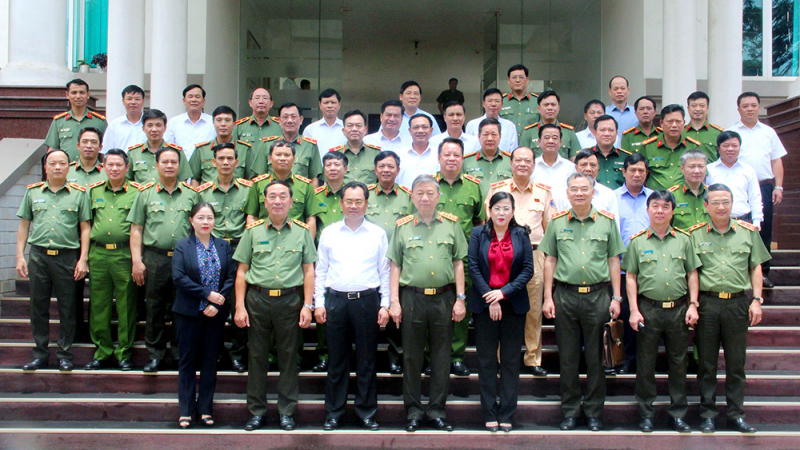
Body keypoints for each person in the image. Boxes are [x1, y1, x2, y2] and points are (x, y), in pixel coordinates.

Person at [541, 172, 625, 432]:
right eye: (574, 189)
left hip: (598, 297)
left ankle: (593, 413)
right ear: (567, 193)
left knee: (596, 357)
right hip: (564, 296)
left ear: (592, 192)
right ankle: (570, 411)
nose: (579, 193)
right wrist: (547, 297)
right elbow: (550, 260)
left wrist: (616, 297)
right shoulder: (556, 222)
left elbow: (614, 261)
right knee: (567, 358)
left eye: (584, 189)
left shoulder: (607, 222)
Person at [233, 180, 317, 432]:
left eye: (283, 197)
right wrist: (239, 306)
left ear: (292, 202)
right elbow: (241, 272)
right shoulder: (252, 231)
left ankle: (286, 412)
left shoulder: (302, 232)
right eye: (272, 196)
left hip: (290, 301)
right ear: (265, 202)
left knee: (289, 357)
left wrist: (308, 304)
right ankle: (257, 411)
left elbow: (309, 270)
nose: (278, 201)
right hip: (257, 300)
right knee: (257, 357)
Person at [387, 174, 468, 432]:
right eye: (419, 193)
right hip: (411, 298)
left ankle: (436, 410)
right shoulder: (402, 226)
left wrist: (460, 299)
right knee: (411, 357)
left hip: (444, 298)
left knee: (442, 357)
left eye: (430, 193)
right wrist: (394, 302)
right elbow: (395, 265)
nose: (425, 198)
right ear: (412, 197)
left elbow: (458, 264)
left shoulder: (452, 225)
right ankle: (412, 410)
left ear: (438, 196)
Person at [691, 183, 771, 434]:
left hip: (737, 303)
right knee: (706, 364)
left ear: (733, 203)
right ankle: (707, 415)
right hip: (707, 304)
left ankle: (736, 414)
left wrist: (756, 299)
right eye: (715, 202)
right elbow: (691, 272)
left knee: (736, 364)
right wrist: (693, 304)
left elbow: (755, 267)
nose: (721, 206)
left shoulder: (748, 232)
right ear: (706, 206)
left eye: (726, 201)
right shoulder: (694, 235)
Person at [315, 181, 391, 431]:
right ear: (341, 203)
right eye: (349, 201)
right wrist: (319, 302)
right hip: (336, 302)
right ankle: (334, 413)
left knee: (367, 361)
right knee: (337, 360)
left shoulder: (378, 233)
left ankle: (366, 412)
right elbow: (321, 270)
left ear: (367, 204)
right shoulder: (329, 232)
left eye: (359, 201)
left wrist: (385, 304)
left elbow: (385, 272)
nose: (354, 206)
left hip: (367, 302)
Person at [624, 190, 701, 433]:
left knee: (678, 364)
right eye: (655, 206)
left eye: (665, 206)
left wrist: (693, 304)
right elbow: (631, 277)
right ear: (647, 210)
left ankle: (677, 415)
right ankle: (646, 415)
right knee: (645, 365)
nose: (660, 210)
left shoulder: (684, 240)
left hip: (678, 309)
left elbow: (692, 273)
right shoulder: (637, 241)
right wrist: (634, 310)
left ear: (672, 211)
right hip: (648, 309)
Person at [16, 149, 90, 372]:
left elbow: (85, 228)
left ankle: (64, 354)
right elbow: (24, 225)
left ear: (69, 167)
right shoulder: (32, 193)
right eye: (53, 163)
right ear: (45, 167)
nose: (58, 167)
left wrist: (83, 259)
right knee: (38, 306)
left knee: (68, 307)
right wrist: (20, 255)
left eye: (62, 163)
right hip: (38, 256)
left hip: (67, 257)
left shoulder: (79, 194)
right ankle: (40, 354)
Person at [128, 146, 200, 372]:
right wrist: (137, 261)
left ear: (180, 166)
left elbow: (200, 229)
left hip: (184, 259)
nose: (169, 166)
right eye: (165, 162)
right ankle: (155, 355)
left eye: (174, 162)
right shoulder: (145, 193)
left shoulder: (192, 194)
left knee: (183, 308)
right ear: (156, 165)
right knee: (155, 308)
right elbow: (136, 229)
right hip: (154, 258)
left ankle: (180, 354)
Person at [485, 146, 554, 377]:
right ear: (511, 163)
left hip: (534, 255)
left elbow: (549, 229)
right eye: (518, 160)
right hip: (502, 254)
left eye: (528, 160)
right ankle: (500, 358)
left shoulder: (544, 192)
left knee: (534, 310)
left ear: (534, 164)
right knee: (502, 307)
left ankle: (532, 358)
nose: (523, 164)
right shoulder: (498, 189)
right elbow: (489, 223)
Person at [468, 192, 534, 432]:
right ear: (489, 210)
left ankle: (506, 412)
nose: (501, 213)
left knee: (509, 361)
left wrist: (503, 293)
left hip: (513, 305)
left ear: (513, 211)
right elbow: (473, 268)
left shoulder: (521, 234)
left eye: (506, 208)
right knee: (486, 361)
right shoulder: (477, 234)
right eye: (497, 208)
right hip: (484, 304)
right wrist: (491, 297)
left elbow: (528, 270)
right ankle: (489, 411)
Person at [172, 202, 236, 428]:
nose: (205, 222)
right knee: (187, 362)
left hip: (214, 314)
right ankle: (186, 411)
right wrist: (207, 294)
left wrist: (218, 303)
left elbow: (231, 276)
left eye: (209, 218)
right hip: (189, 312)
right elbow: (179, 277)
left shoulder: (224, 246)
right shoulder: (182, 246)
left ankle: (206, 409)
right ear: (191, 221)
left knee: (210, 362)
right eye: (200, 218)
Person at [195, 143, 253, 372]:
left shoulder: (249, 190)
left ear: (237, 163)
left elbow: (252, 221)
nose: (226, 162)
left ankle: (238, 354)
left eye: (230, 158)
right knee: (213, 303)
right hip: (212, 250)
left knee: (240, 302)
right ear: (214, 162)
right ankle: (215, 352)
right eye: (221, 158)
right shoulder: (203, 192)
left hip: (240, 250)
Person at [83, 149, 142, 371]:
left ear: (127, 168)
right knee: (99, 305)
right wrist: (85, 258)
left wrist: (138, 259)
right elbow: (86, 225)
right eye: (110, 165)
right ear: (103, 167)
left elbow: (139, 227)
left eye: (119, 165)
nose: (115, 169)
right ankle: (102, 352)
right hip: (98, 254)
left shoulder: (137, 192)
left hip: (124, 254)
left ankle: (124, 354)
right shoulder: (93, 191)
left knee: (127, 305)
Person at [434, 138, 486, 376]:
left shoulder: (474, 186)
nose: (452, 159)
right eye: (447, 154)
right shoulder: (428, 184)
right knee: (432, 308)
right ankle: (431, 356)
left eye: (456, 155)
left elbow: (480, 223)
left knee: (460, 306)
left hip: (464, 257)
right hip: (433, 254)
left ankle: (456, 356)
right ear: (439, 158)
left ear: (462, 158)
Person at [728, 91, 786, 288]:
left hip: (764, 187)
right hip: (739, 188)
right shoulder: (732, 132)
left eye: (753, 105)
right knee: (739, 229)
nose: (750, 109)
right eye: (745, 106)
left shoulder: (769, 132)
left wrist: (778, 186)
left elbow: (776, 160)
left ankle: (763, 274)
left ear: (759, 107)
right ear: (738, 109)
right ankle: (741, 273)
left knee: (763, 230)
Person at [366, 150, 412, 374]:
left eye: (390, 166)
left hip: (398, 263)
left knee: (395, 313)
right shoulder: (363, 195)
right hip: (367, 263)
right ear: (375, 170)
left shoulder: (408, 196)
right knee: (368, 312)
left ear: (398, 170)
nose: (386, 170)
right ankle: (369, 357)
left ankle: (394, 358)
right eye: (382, 166)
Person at [613, 153, 654, 375]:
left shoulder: (655, 198)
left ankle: (646, 362)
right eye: (632, 170)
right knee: (626, 315)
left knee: (648, 315)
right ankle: (626, 359)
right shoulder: (613, 198)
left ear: (647, 173)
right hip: (621, 268)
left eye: (641, 170)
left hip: (651, 269)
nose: (637, 174)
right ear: (624, 172)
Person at [244, 140, 319, 237]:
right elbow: (251, 217)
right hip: (265, 240)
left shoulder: (305, 185)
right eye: (278, 154)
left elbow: (311, 219)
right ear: (270, 158)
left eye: (287, 155)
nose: (282, 158)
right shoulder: (258, 184)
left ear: (294, 159)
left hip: (295, 241)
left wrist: (308, 246)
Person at [637, 104, 704, 190]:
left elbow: (701, 175)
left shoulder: (693, 146)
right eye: (670, 121)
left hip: (684, 198)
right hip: (656, 199)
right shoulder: (648, 146)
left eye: (678, 121)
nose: (674, 125)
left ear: (684, 123)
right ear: (661, 123)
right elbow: (639, 173)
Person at [705, 131, 763, 227]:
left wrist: (756, 221)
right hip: (714, 222)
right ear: (718, 148)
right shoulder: (709, 170)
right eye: (726, 145)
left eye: (735, 146)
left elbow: (755, 197)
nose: (730, 149)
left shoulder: (748, 170)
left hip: (742, 221)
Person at [256, 103, 323, 185]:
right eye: (285, 117)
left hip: (300, 196)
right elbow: (260, 177)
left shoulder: (310, 146)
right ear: (279, 121)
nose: (290, 120)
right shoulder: (267, 145)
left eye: (294, 116)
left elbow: (314, 178)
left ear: (301, 120)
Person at [189, 106, 256, 185]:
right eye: (219, 120)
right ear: (213, 123)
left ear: (234, 124)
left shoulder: (245, 149)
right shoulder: (202, 150)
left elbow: (251, 179)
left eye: (227, 120)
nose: (223, 124)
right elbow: (195, 179)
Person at [44, 78, 107, 162]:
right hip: (66, 171)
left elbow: (105, 151)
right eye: (74, 93)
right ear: (67, 95)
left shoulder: (100, 122)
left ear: (88, 95)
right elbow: (52, 150)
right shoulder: (59, 121)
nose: (78, 96)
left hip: (93, 172)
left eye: (82, 92)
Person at [127, 109, 192, 184]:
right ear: (143, 128)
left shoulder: (177, 152)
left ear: (164, 128)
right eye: (149, 125)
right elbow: (128, 180)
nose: (154, 129)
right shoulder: (133, 153)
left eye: (158, 125)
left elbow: (183, 180)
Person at [554, 149, 620, 222]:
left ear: (598, 168)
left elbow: (614, 226)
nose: (588, 169)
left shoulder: (608, 194)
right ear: (576, 168)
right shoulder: (562, 194)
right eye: (584, 165)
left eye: (593, 165)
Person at [519, 90, 581, 159]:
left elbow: (575, 160)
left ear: (558, 108)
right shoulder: (528, 133)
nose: (550, 108)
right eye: (546, 105)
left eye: (553, 105)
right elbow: (523, 159)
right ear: (539, 109)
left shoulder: (569, 133)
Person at [462, 118, 513, 197]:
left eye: (494, 134)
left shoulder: (510, 161)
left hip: (502, 208)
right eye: (485, 134)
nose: (490, 138)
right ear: (479, 136)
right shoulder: (466, 161)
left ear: (500, 136)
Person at [164, 84, 216, 160]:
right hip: (182, 166)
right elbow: (168, 147)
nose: (194, 100)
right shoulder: (174, 122)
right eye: (190, 96)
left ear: (203, 101)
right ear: (184, 101)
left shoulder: (213, 122)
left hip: (206, 167)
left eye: (197, 97)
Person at [330, 110, 381, 186]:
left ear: (365, 130)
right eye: (350, 125)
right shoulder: (334, 154)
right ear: (343, 131)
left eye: (358, 125)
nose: (354, 129)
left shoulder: (376, 153)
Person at [669, 149, 710, 231]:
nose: (697, 171)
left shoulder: (712, 194)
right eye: (692, 167)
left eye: (701, 166)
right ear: (682, 169)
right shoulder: (671, 195)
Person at [395, 114, 439, 188]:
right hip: (405, 198)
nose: (420, 131)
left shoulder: (439, 154)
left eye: (424, 127)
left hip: (433, 198)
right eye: (416, 127)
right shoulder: (399, 154)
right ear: (410, 131)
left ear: (431, 131)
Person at [589, 115, 632, 189]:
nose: (606, 134)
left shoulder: (626, 157)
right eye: (602, 130)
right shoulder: (586, 156)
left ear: (616, 133)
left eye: (611, 130)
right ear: (595, 133)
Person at [531, 124, 576, 194]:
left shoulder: (570, 167)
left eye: (555, 138)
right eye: (546, 137)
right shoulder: (532, 166)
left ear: (560, 142)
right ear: (539, 142)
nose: (551, 141)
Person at [303, 89, 347, 157]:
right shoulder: (310, 129)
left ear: (339, 105)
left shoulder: (347, 128)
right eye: (326, 103)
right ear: (320, 105)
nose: (329, 106)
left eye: (333, 102)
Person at [102, 85, 147, 151]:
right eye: (129, 99)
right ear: (123, 101)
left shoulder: (149, 124)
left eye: (137, 99)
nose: (133, 102)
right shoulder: (115, 125)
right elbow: (106, 150)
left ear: (143, 101)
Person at [501, 64, 540, 138]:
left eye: (521, 77)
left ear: (527, 80)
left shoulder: (538, 101)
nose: (517, 80)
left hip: (530, 146)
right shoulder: (501, 101)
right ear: (508, 80)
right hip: (508, 147)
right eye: (514, 77)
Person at [684, 91, 723, 161]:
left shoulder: (717, 133)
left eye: (702, 105)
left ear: (707, 109)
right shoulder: (680, 132)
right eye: (694, 105)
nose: (698, 109)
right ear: (688, 108)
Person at [606, 76, 637, 140]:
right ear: (610, 91)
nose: (619, 91)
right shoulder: (603, 112)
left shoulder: (637, 113)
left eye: (622, 88)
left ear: (628, 90)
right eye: (615, 89)